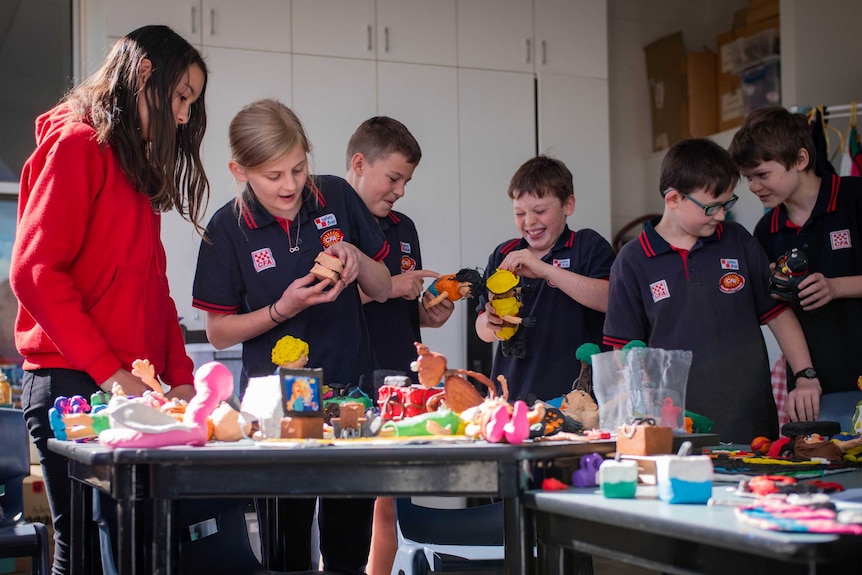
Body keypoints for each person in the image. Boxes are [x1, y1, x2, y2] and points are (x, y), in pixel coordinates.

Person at [10, 25, 208, 575]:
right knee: (82, 552)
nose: (186, 117)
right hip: (71, 382)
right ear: (145, 75)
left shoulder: (137, 169)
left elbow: (156, 292)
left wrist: (180, 376)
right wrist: (111, 375)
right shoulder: (77, 145)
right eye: (181, 97)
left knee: (142, 543)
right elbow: (35, 273)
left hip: (128, 387)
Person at [192, 99, 391, 574]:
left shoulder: (337, 197)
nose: (290, 185)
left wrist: (359, 261)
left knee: (347, 550)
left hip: (350, 398)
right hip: (275, 412)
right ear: (240, 171)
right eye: (273, 175)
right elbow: (218, 333)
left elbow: (383, 290)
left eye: (298, 168)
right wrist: (283, 308)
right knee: (287, 556)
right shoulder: (226, 229)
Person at [603, 138, 821, 443]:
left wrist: (806, 376)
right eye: (712, 206)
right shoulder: (632, 261)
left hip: (749, 417)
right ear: (674, 199)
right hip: (675, 426)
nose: (721, 215)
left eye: (727, 203)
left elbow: (778, 313)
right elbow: (623, 353)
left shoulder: (737, 240)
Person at [344, 116, 454, 575]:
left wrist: (429, 312)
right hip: (346, 378)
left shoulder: (404, 227)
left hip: (399, 380)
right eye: (393, 178)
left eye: (406, 181)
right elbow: (324, 298)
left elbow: (409, 306)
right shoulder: (329, 222)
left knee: (389, 501)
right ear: (358, 164)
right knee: (345, 504)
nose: (400, 190)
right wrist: (389, 285)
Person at [729, 106, 862, 421]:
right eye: (748, 177)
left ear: (800, 160)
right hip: (812, 388)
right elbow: (775, 312)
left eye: (762, 174)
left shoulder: (854, 198)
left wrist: (836, 286)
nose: (754, 186)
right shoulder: (766, 230)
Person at [475, 155, 616, 402]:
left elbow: (610, 299)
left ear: (568, 205)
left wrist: (545, 270)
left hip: (576, 399)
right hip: (510, 396)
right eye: (519, 213)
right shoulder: (503, 254)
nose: (529, 222)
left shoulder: (588, 245)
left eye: (540, 211)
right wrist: (491, 323)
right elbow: (481, 329)